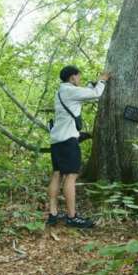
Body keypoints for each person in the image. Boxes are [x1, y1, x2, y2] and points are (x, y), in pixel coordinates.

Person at [46, 65, 109, 228]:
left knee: (57, 174)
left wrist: (91, 84)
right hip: (68, 140)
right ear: (72, 77)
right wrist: (102, 80)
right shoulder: (71, 91)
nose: (79, 79)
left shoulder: (61, 91)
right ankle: (72, 217)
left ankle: (52, 214)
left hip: (56, 140)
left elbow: (81, 93)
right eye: (78, 77)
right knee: (71, 177)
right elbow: (96, 95)